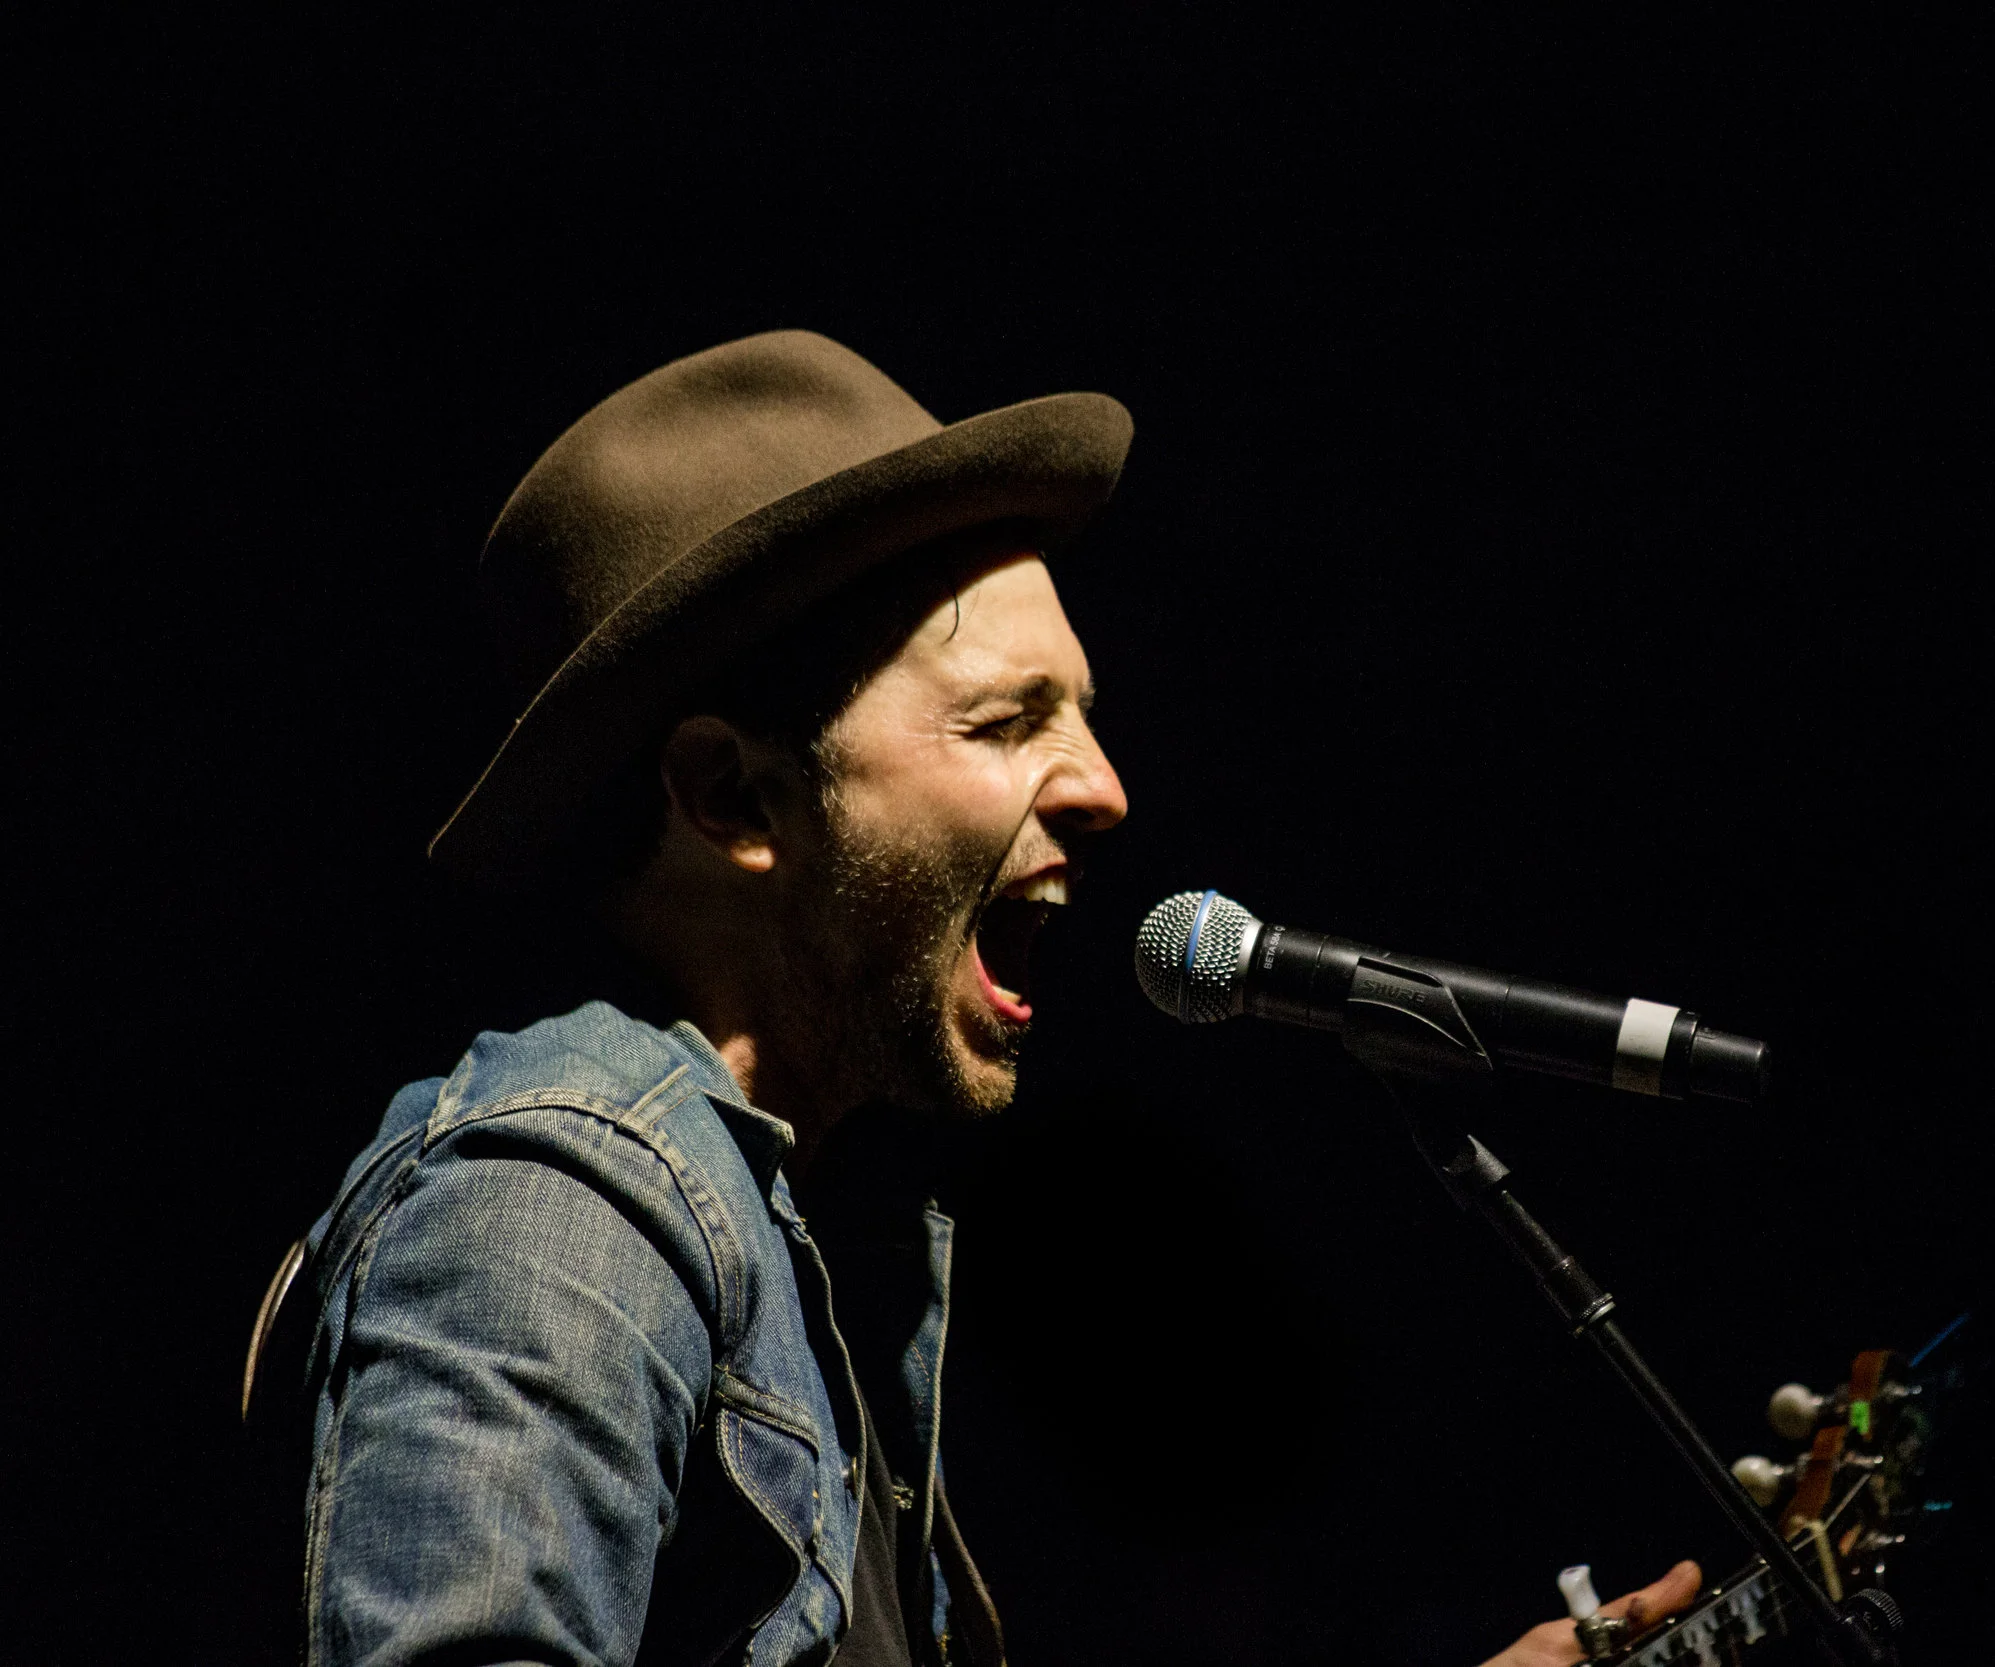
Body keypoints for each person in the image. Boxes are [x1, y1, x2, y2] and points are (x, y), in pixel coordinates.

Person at [283, 331, 1696, 1665]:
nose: (1104, 788)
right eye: (1008, 720)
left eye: (1078, 714)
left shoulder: (814, 1246)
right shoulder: (549, 1209)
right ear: (731, 795)